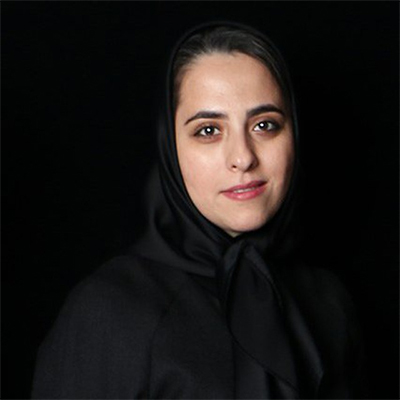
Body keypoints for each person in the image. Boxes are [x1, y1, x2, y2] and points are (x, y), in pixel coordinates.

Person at [32, 22, 366, 399]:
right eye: (209, 130)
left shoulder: (327, 301)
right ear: (170, 149)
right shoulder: (110, 311)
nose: (243, 157)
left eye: (264, 125)